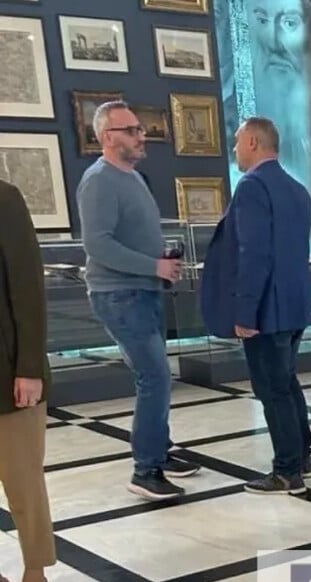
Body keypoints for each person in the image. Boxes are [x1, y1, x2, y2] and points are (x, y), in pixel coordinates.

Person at [77, 101, 201, 501]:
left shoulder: (133, 177)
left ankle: (158, 452)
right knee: (155, 377)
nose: (140, 135)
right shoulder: (99, 181)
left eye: (140, 129)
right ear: (107, 137)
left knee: (157, 376)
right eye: (131, 130)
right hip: (119, 294)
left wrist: (159, 261)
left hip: (143, 290)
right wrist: (152, 265)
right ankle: (145, 470)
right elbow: (98, 245)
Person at [200, 117, 311, 495]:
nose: (234, 149)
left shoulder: (252, 186)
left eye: (237, 141)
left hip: (267, 308)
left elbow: (254, 254)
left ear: (252, 142)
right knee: (286, 381)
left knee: (272, 389)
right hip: (295, 304)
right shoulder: (297, 189)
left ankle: (287, 472)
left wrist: (245, 311)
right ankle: (302, 456)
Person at [0, 180, 54, 582]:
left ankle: (36, 575)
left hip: (7, 373)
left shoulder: (4, 199)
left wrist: (30, 367)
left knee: (23, 485)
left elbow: (27, 289)